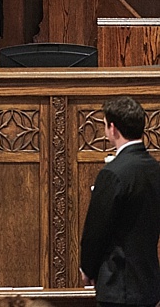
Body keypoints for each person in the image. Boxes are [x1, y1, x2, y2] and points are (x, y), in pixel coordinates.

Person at [80, 96, 160, 307]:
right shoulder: (155, 170)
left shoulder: (113, 173)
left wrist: (87, 268)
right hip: (148, 283)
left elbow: (96, 228)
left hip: (118, 284)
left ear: (112, 128)